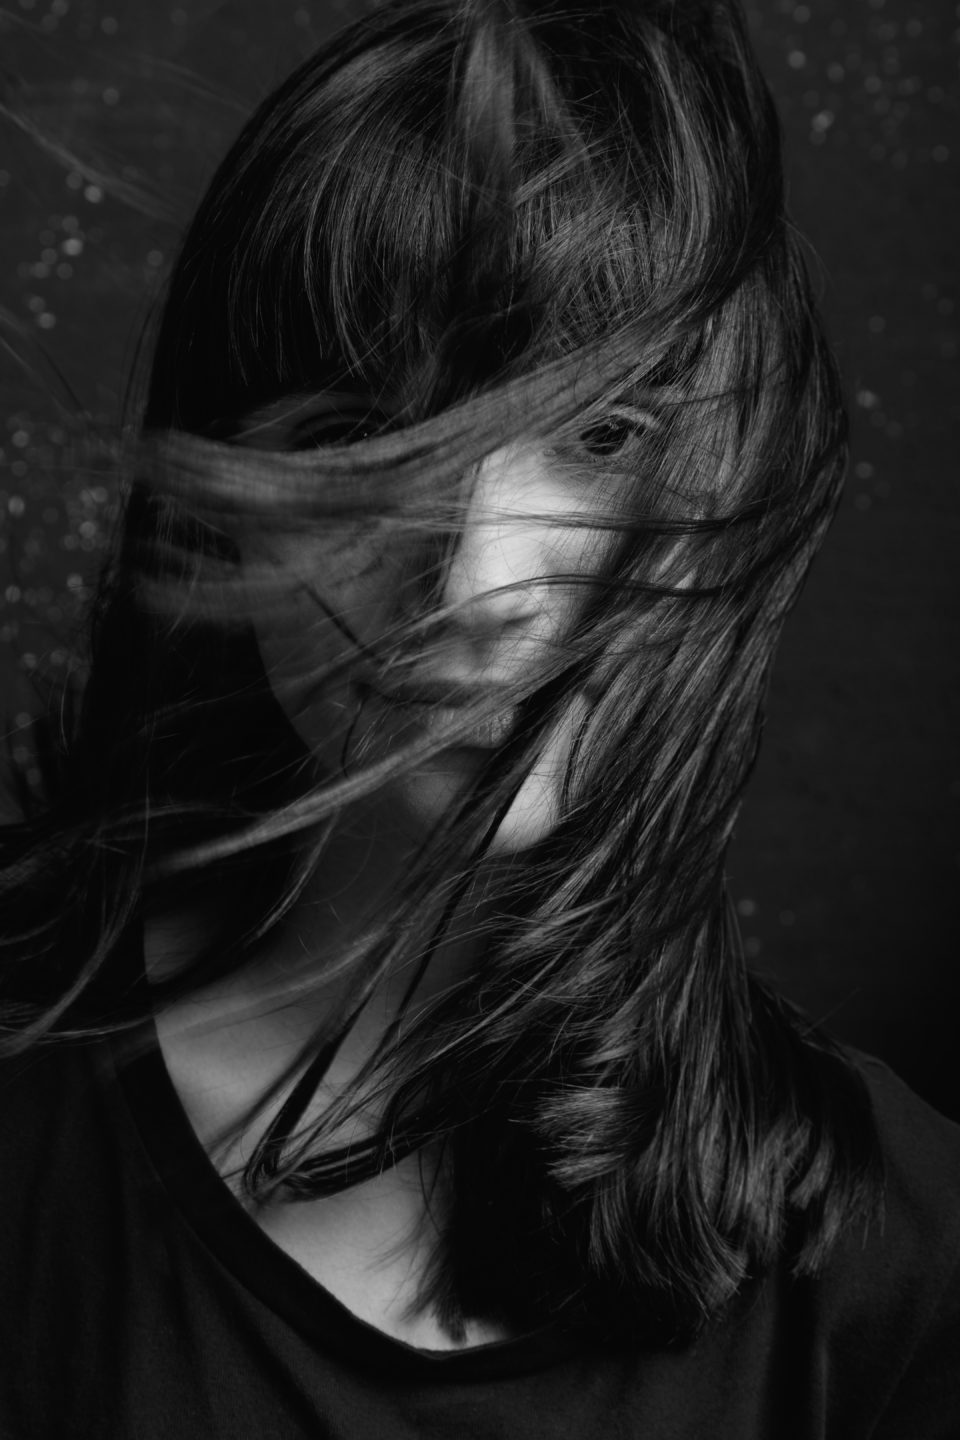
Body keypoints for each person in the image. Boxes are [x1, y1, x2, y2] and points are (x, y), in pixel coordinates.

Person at [1, 0, 958, 1434]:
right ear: (221, 518)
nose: (476, 584)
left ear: (737, 475)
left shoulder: (897, 1276)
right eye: (359, 441)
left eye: (603, 435)